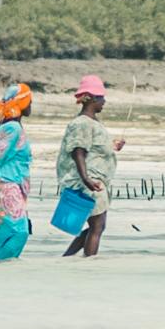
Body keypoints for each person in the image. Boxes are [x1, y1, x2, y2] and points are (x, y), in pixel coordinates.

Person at [56, 74, 122, 258]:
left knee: (96, 226)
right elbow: (78, 151)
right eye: (101, 97)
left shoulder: (91, 123)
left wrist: (113, 147)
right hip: (90, 181)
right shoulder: (82, 123)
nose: (104, 101)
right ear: (92, 99)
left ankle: (67, 259)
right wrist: (86, 179)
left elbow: (94, 148)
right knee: (97, 226)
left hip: (94, 180)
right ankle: (89, 263)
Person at [0, 82, 36, 261]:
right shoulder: (13, 128)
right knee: (20, 232)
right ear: (21, 104)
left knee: (0, 235)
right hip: (5, 185)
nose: (31, 106)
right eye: (29, 101)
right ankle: (2, 266)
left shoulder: (3, 125)